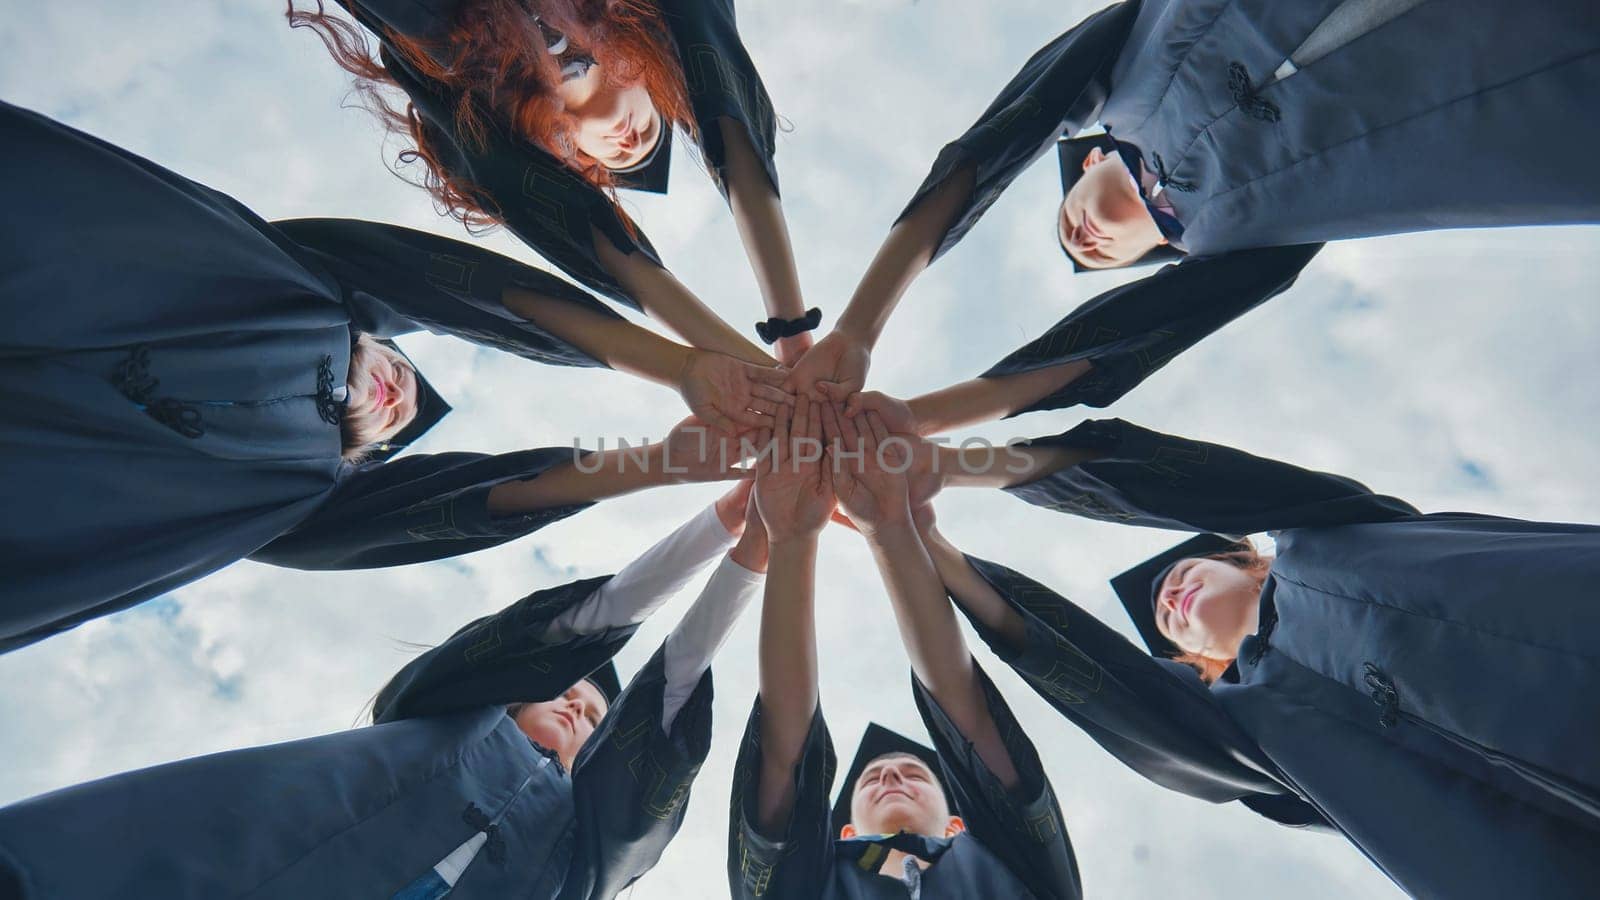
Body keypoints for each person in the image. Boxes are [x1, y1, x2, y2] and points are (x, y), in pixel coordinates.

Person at [0, 100, 780, 653]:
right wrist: (682, 364)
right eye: (400, 371)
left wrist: (657, 467)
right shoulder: (296, 287)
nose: (399, 395)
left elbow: (466, 504)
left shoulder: (289, 500)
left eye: (395, 427)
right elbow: (459, 293)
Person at [787, 0, 1600, 419]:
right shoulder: (1247, 239)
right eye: (1103, 255)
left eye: (1068, 215)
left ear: (1092, 153)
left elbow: (1003, 134)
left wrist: (856, 327)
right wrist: (926, 419)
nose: (1084, 235)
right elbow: (1119, 346)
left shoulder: (1127, 72)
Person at [912, 417, 1600, 898]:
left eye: (1184, 572)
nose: (1171, 591)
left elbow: (1181, 479)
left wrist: (956, 464)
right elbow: (1116, 692)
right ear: (1190, 662)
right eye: (1164, 618)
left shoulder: (1333, 532)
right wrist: (927, 545)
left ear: (1242, 555)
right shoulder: (1256, 729)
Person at [0, 483, 768, 899]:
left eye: (597, 713)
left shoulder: (586, 858)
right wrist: (723, 524)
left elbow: (670, 698)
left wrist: (758, 557)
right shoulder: (441, 715)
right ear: (511, 695)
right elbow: (575, 627)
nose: (577, 702)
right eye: (565, 690)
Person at [289, 0, 815, 366]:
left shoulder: (484, 81)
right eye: (651, 129)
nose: (629, 143)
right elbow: (718, 81)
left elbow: (516, 188)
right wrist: (790, 326)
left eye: (611, 155)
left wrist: (720, 360)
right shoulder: (622, 15)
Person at [725, 402, 1080, 898]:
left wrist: (891, 530)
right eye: (875, 778)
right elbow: (783, 764)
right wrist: (791, 541)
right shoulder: (815, 884)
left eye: (913, 772)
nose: (891, 774)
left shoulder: (1008, 871)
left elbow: (971, 721)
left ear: (957, 825)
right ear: (845, 833)